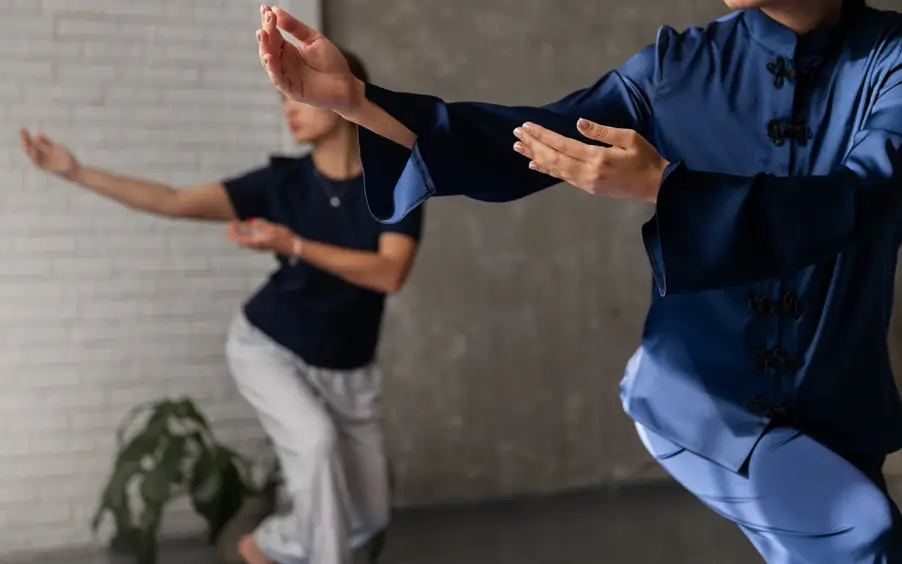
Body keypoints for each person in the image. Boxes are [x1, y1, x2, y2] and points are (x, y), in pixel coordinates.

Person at [256, 1, 902, 561]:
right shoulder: (678, 66)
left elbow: (866, 195)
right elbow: (525, 141)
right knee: (865, 537)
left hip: (839, 409)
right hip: (700, 401)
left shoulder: (891, 59)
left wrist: (666, 188)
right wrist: (359, 103)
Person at [20, 50, 423, 564]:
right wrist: (75, 171)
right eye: (283, 98)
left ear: (343, 93)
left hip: (349, 368)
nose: (288, 108)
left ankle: (266, 546)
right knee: (316, 446)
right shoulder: (280, 183)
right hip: (271, 348)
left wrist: (293, 244)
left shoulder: (397, 181)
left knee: (368, 515)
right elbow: (173, 201)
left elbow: (389, 273)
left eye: (299, 94)